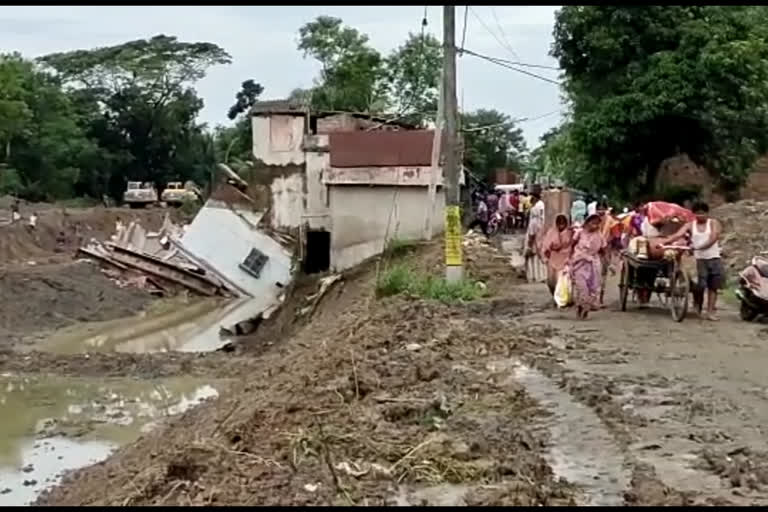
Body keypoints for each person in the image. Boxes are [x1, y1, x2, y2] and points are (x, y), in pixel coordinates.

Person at [666, 201, 723, 320]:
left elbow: (713, 238)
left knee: (713, 286)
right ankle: (698, 306)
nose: (700, 216)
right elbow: (678, 234)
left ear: (707, 213)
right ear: (694, 214)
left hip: (713, 258)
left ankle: (710, 311)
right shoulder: (690, 225)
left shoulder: (713, 223)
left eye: (702, 213)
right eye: (697, 213)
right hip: (699, 259)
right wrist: (665, 242)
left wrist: (699, 247)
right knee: (700, 286)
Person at [570, 213, 606, 319]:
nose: (594, 226)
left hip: (593, 264)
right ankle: (581, 306)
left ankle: (585, 308)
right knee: (581, 287)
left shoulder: (599, 236)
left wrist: (609, 264)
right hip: (579, 263)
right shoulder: (579, 233)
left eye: (597, 224)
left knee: (592, 288)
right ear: (587, 223)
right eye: (592, 223)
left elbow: (604, 250)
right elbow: (572, 245)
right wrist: (569, 259)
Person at [542, 214, 573, 297]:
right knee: (551, 281)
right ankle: (554, 295)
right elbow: (546, 245)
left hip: (565, 259)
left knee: (563, 282)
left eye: (563, 223)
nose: (561, 226)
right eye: (559, 223)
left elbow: (573, 244)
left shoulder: (570, 232)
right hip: (553, 258)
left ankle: (563, 299)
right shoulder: (551, 232)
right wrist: (547, 254)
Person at [525, 191, 547, 283]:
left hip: (534, 242)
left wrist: (529, 244)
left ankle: (533, 277)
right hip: (540, 241)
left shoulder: (534, 220)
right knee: (540, 258)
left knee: (532, 258)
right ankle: (542, 276)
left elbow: (531, 233)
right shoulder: (541, 220)